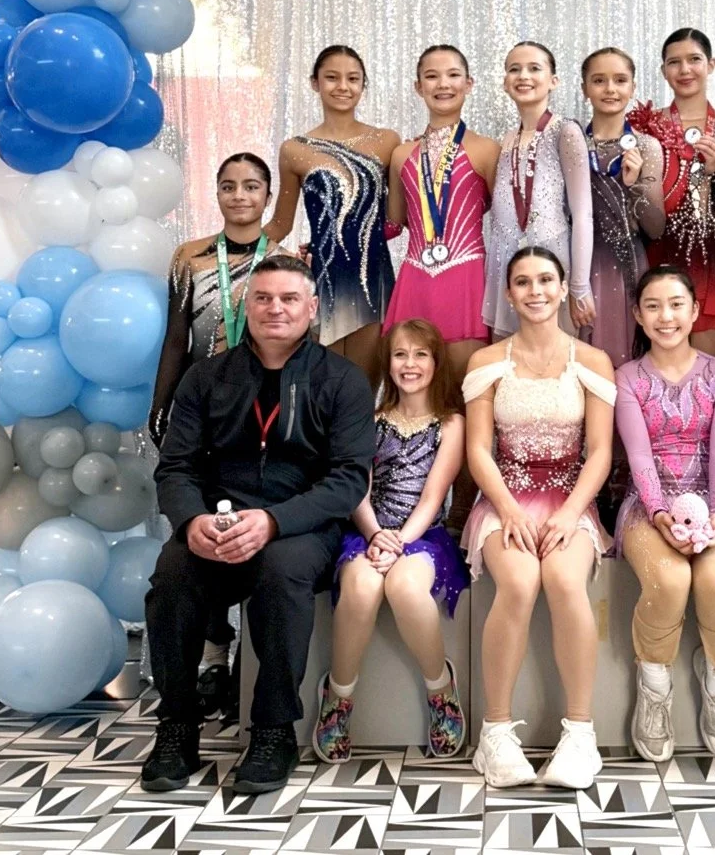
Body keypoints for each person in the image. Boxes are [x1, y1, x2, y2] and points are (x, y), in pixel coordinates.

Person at [143, 255, 375, 795]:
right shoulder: (206, 378)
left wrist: (273, 522)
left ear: (312, 308)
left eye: (289, 299)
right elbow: (175, 467)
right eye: (264, 298)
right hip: (216, 524)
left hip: (301, 528)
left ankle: (273, 731)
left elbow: (346, 480)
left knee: (280, 573)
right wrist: (192, 519)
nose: (276, 309)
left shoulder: (342, 380)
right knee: (173, 573)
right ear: (246, 305)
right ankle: (177, 726)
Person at [461, 247, 614, 790]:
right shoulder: (487, 363)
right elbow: (479, 451)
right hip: (505, 498)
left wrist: (573, 513)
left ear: (562, 285)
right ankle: (496, 734)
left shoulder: (591, 362)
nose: (535, 291)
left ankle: (580, 733)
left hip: (569, 500)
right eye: (522, 282)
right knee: (521, 581)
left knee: (564, 580)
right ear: (508, 293)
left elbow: (599, 452)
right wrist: (505, 509)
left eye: (546, 279)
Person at [148, 151, 282, 717]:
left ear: (268, 196)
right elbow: (176, 336)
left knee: (248, 528)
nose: (239, 196)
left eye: (252, 186)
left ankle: (250, 664)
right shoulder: (190, 258)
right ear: (217, 193)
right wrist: (161, 405)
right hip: (199, 407)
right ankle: (210, 655)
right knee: (199, 528)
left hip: (258, 414)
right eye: (228, 186)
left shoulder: (284, 257)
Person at [314, 319, 470, 764]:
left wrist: (399, 540)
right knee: (361, 588)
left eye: (420, 354)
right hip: (367, 530)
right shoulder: (370, 419)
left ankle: (440, 688)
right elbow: (355, 488)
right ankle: (338, 697)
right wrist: (373, 533)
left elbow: (434, 495)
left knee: (404, 587)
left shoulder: (450, 423)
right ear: (388, 362)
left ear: (436, 361)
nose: (410, 364)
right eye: (401, 354)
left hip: (421, 535)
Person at [615, 266, 715, 763]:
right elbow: (639, 455)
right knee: (670, 582)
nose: (665, 316)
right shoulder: (626, 377)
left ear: (694, 312)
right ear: (637, 315)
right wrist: (660, 514)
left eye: (675, 305)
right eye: (652, 306)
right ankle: (654, 688)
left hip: (713, 503)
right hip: (647, 508)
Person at [267, 45, 399, 381]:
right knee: (320, 391)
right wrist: (229, 246)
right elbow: (280, 224)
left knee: (363, 391)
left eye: (353, 79)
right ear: (315, 83)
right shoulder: (295, 149)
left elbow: (399, 216)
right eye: (332, 78)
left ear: (363, 85)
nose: (343, 86)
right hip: (322, 281)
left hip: (373, 280)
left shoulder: (387, 142)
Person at [628, 28, 715, 357]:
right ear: (663, 70)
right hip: (656, 253)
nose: (685, 70)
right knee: (656, 371)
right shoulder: (645, 126)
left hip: (710, 258)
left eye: (694, 60)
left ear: (711, 64)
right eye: (675, 62)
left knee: (703, 374)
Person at [386, 45, 499, 383]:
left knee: (467, 391)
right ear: (418, 86)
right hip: (415, 278)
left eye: (453, 75)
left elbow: (505, 217)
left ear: (469, 83)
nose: (443, 84)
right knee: (413, 390)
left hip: (467, 277)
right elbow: (393, 224)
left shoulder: (487, 149)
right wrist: (328, 243)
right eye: (431, 76)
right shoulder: (401, 154)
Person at [481, 43, 594, 338]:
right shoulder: (506, 141)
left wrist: (579, 285)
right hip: (507, 262)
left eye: (534, 68)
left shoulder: (565, 132)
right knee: (510, 362)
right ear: (505, 82)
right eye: (514, 69)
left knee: (556, 359)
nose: (523, 76)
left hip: (553, 259)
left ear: (553, 80)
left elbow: (583, 214)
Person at [580, 48, 666, 370]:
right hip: (582, 265)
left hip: (629, 265)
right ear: (585, 88)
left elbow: (655, 228)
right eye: (599, 80)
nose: (610, 89)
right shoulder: (571, 141)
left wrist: (634, 187)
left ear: (632, 87)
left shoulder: (646, 146)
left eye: (620, 80)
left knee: (627, 359)